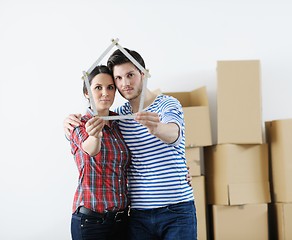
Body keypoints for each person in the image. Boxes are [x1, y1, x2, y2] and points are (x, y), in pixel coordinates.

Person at [64, 48, 197, 240]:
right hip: (137, 215)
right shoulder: (119, 117)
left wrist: (157, 128)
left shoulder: (168, 104)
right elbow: (87, 142)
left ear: (143, 74)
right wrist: (66, 124)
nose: (124, 83)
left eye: (130, 75)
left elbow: (174, 133)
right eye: (118, 78)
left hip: (176, 209)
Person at [69, 65, 131, 240]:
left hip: (121, 221)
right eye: (98, 87)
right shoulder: (78, 124)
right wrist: (95, 135)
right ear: (87, 92)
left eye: (110, 87)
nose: (105, 92)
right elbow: (90, 148)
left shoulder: (120, 124)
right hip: (91, 222)